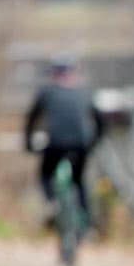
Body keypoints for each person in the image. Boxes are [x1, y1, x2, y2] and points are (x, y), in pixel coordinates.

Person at [24, 55, 103, 228]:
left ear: (54, 73)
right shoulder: (84, 91)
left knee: (45, 174)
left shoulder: (47, 91)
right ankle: (88, 222)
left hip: (55, 144)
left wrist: (28, 143)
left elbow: (32, 118)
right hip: (81, 144)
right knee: (79, 180)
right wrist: (95, 143)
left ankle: (52, 203)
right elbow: (99, 120)